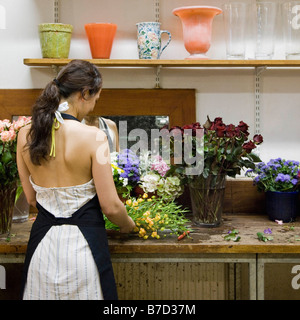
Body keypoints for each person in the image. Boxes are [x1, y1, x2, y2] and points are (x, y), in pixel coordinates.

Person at [16, 59, 135, 300]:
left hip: (42, 249)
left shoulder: (24, 134)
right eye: (95, 99)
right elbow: (110, 206)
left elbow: (30, 199)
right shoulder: (94, 137)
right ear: (84, 93)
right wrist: (128, 225)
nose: (93, 106)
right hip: (84, 251)